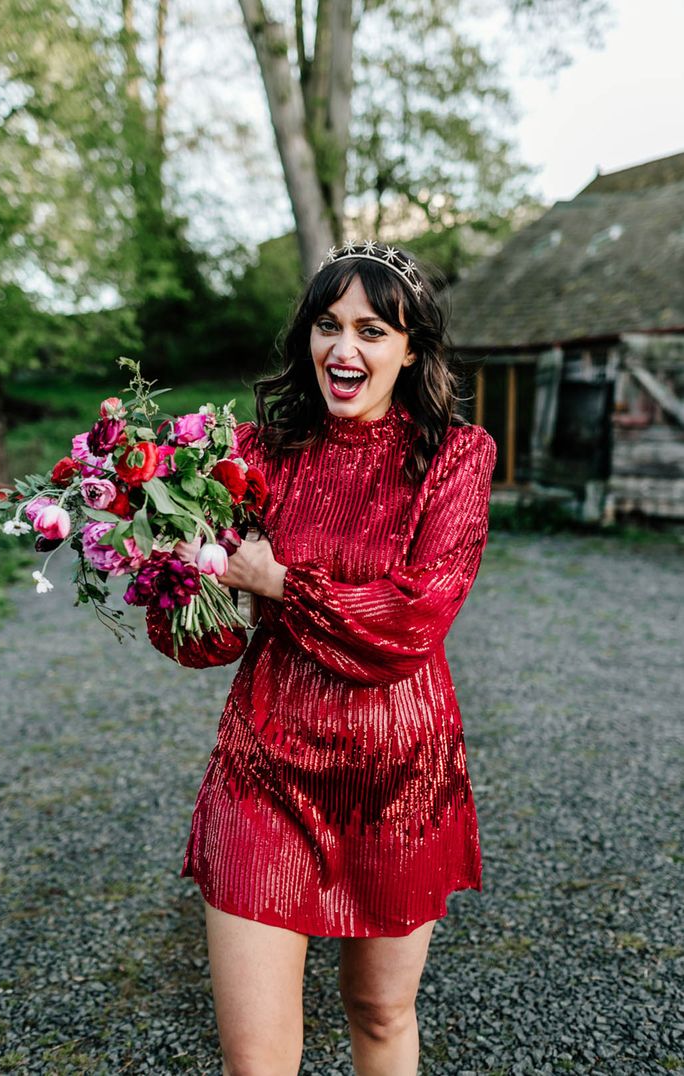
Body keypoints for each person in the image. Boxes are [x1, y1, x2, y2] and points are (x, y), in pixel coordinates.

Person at [147, 240, 497, 1076]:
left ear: (411, 349)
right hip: (264, 768)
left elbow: (413, 621)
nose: (344, 349)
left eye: (373, 329)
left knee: (379, 1013)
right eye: (328, 325)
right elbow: (215, 640)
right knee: (256, 1058)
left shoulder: (456, 457)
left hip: (397, 778)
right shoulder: (258, 458)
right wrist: (174, 572)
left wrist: (279, 581)